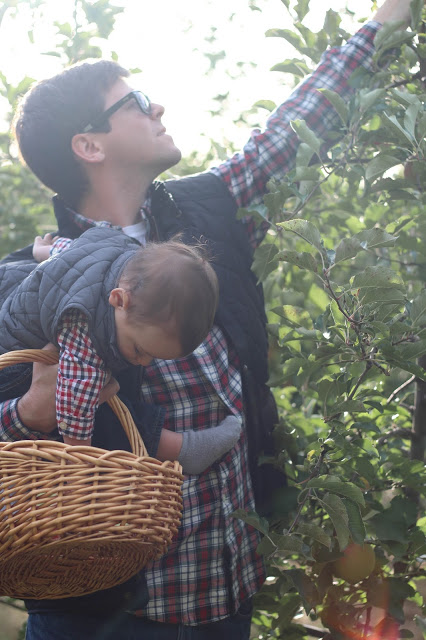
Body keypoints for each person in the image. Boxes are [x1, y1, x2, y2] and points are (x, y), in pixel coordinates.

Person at [0, 0, 415, 638]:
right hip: (109, 611)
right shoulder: (37, 286)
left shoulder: (208, 212)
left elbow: (294, 124)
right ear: (89, 144)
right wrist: (27, 415)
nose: (157, 107)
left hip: (224, 583)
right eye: (135, 100)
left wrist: (385, 23)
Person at [0, 226, 242, 472]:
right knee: (91, 404)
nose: (144, 362)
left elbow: (71, 250)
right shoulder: (84, 327)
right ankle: (174, 448)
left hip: (13, 310)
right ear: (119, 299)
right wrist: (83, 463)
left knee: (99, 387)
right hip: (13, 369)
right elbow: (74, 416)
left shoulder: (119, 251)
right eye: (140, 349)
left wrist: (41, 249)